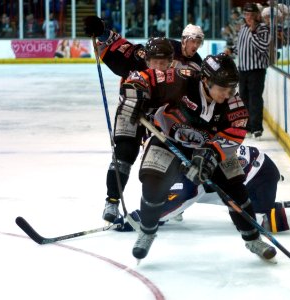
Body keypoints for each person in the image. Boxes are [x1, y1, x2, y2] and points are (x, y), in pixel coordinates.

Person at [121, 53, 277, 262]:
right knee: (152, 184)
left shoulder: (234, 103)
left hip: (210, 147)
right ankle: (147, 232)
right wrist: (135, 94)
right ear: (206, 80)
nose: (228, 94)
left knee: (236, 188)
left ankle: (253, 239)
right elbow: (143, 77)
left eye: (231, 88)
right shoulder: (180, 79)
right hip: (168, 138)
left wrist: (212, 154)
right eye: (223, 88)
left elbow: (235, 132)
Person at [83, 16, 204, 224]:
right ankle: (111, 202)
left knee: (164, 160)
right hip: (130, 111)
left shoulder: (186, 70)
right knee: (124, 154)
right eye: (154, 62)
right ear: (146, 59)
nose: (159, 66)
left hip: (159, 117)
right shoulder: (143, 55)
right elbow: (119, 45)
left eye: (163, 63)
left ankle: (167, 202)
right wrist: (102, 32)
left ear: (171, 61)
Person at [122, 144, 290, 233]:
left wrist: (143, 218)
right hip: (256, 169)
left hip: (258, 176)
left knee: (255, 221)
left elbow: (182, 199)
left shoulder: (192, 171)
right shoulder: (183, 159)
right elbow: (175, 200)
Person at [236, 2, 270, 140]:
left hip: (256, 70)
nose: (248, 17)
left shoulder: (262, 28)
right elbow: (240, 47)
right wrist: (231, 50)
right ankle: (247, 127)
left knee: (255, 99)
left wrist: (253, 32)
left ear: (256, 15)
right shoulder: (243, 28)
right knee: (243, 99)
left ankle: (256, 128)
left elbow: (263, 47)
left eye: (251, 14)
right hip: (243, 70)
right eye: (246, 14)